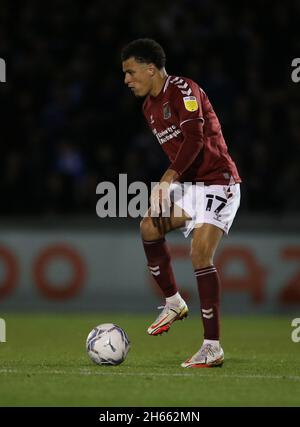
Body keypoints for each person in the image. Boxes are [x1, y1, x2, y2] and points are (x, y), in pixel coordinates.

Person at [121, 38, 241, 368]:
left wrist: (168, 179)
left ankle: (212, 346)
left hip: (219, 181)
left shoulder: (184, 90)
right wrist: (175, 183)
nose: (127, 80)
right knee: (148, 226)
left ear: (150, 68)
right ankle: (173, 301)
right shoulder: (148, 107)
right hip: (192, 188)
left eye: (130, 72)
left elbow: (195, 139)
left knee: (200, 252)